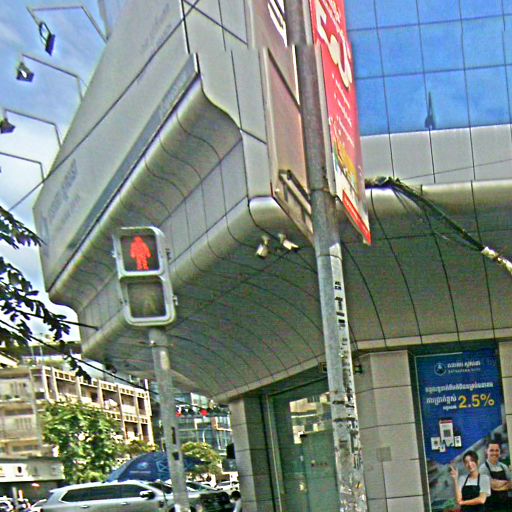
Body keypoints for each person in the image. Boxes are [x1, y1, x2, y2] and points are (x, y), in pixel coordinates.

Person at [479, 441, 511, 511]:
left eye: (497, 450)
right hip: (491, 507)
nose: (494, 453)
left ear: (499, 452)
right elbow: (493, 485)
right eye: (491, 450)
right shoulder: (483, 468)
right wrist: (506, 483)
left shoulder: (504, 466)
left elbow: (511, 484)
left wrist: (499, 486)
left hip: (506, 505)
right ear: (486, 451)